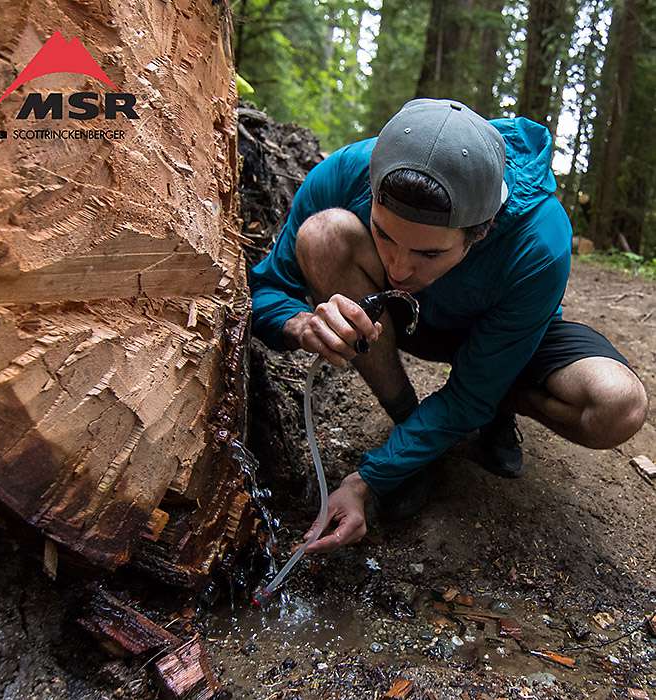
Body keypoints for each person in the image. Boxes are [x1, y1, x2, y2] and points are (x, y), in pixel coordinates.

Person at [248, 99, 648, 554]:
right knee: (323, 234)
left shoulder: (540, 237)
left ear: (482, 229)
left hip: (503, 337)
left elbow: (469, 396)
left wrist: (367, 480)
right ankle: (408, 419)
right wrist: (301, 324)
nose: (398, 268)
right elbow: (264, 289)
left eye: (429, 253)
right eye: (384, 234)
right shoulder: (348, 170)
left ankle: (499, 401)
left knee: (617, 405)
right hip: (405, 318)